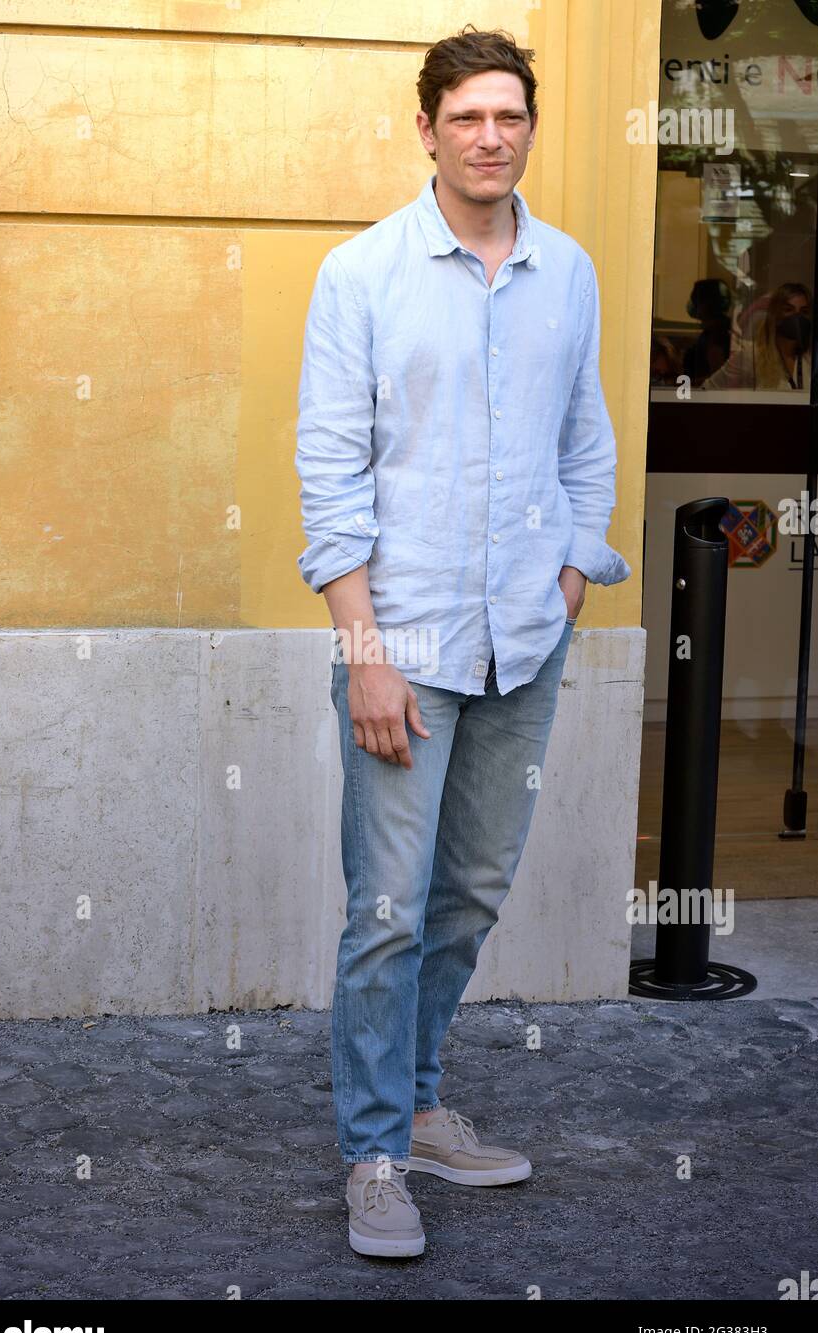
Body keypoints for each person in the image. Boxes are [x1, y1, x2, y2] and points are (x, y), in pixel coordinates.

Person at [293, 23, 631, 1258]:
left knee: (470, 891)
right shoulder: (362, 274)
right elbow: (330, 473)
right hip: (404, 639)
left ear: (528, 129)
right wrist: (364, 650)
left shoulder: (571, 272)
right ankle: (373, 1153)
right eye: (468, 116)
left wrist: (570, 568)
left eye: (511, 116)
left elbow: (582, 438)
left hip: (522, 641)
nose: (492, 136)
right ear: (426, 127)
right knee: (385, 904)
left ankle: (423, 1103)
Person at [700, 282, 812, 391]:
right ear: (775, 315)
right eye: (788, 310)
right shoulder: (752, 356)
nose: (797, 316)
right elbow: (708, 389)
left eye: (804, 311)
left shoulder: (809, 358)